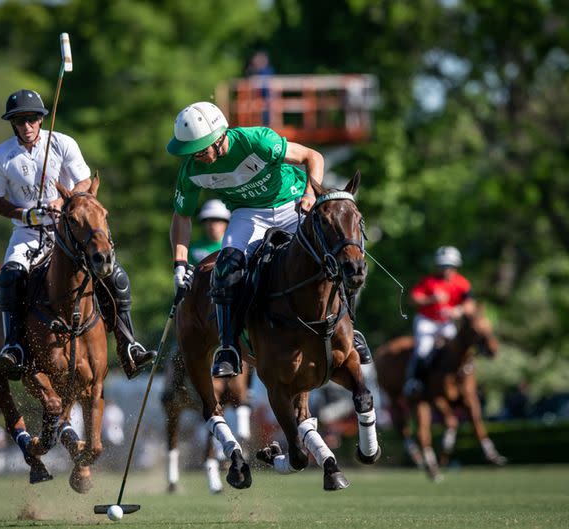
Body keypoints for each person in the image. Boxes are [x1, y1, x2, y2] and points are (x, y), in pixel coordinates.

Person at [167, 101, 371, 378]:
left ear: (219, 137)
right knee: (226, 269)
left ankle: (352, 329)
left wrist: (310, 194)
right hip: (248, 215)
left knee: (336, 255)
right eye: (192, 151)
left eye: (201, 149)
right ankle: (228, 347)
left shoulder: (259, 141)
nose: (197, 156)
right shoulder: (192, 171)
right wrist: (180, 263)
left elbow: (313, 157)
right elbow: (182, 217)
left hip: (292, 203)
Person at [0, 88, 155, 380]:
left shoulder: (62, 144)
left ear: (41, 120)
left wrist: (62, 202)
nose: (27, 126)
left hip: (70, 231)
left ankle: (129, 344)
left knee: (116, 276)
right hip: (27, 233)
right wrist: (24, 214)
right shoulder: (2, 156)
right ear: (12, 123)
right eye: (20, 121)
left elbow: (84, 181)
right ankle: (14, 345)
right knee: (10, 277)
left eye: (32, 119)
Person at [404, 245, 474, 397]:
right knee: (423, 350)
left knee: (459, 349)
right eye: (443, 265)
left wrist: (457, 311)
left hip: (446, 323)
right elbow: (413, 299)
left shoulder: (462, 283)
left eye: (449, 266)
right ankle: (415, 381)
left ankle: (463, 380)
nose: (446, 269)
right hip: (427, 322)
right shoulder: (428, 281)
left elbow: (470, 305)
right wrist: (431, 299)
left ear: (455, 266)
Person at [189, 199, 231, 265]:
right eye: (209, 220)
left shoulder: (234, 247)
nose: (213, 225)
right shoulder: (193, 248)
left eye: (217, 220)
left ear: (226, 223)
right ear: (203, 223)